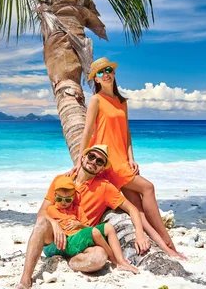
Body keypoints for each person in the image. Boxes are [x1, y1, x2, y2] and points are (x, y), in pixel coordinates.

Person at [70, 57, 184, 259]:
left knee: (138, 206)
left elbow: (127, 132)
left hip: (123, 158)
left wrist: (132, 157)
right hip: (110, 161)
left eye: (108, 70)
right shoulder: (97, 100)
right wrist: (80, 160)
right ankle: (167, 239)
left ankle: (165, 247)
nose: (106, 74)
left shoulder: (122, 102)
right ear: (96, 80)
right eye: (100, 72)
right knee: (148, 187)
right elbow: (87, 131)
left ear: (113, 74)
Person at [17, 144, 150, 289]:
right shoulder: (61, 180)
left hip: (80, 243)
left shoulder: (105, 188)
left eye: (99, 161)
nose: (94, 162)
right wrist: (55, 224)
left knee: (99, 257)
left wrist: (139, 234)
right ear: (83, 157)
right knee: (42, 223)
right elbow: (42, 213)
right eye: (91, 156)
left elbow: (132, 209)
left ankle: (70, 260)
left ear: (101, 168)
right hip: (54, 239)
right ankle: (25, 279)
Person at [46, 175, 139, 274]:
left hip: (80, 237)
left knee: (108, 227)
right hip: (67, 241)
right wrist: (55, 224)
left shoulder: (77, 209)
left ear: (73, 197)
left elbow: (89, 227)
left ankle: (120, 259)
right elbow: (44, 224)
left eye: (68, 200)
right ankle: (115, 260)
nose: (63, 202)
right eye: (60, 199)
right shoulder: (51, 210)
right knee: (94, 232)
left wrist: (79, 224)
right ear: (55, 195)